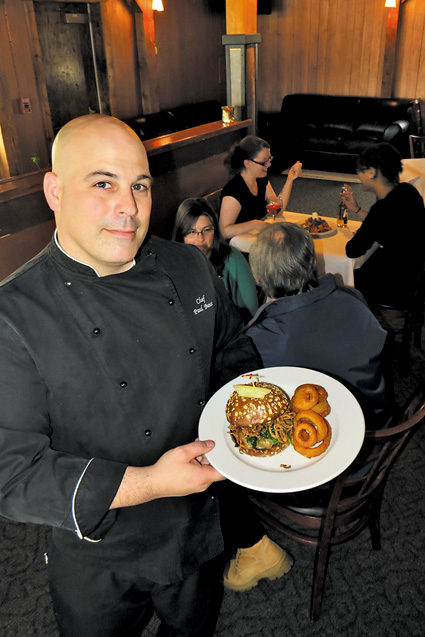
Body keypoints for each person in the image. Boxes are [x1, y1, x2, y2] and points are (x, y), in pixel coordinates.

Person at [0, 114, 262, 637]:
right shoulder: (14, 316)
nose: (130, 207)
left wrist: (252, 431)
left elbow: (232, 349)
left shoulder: (188, 267)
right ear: (54, 190)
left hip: (196, 522)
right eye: (103, 183)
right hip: (102, 553)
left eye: (140, 184)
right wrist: (149, 483)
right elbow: (12, 474)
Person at [245, 222, 391, 429]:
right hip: (375, 422)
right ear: (313, 262)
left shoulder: (259, 338)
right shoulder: (353, 298)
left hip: (322, 443)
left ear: (257, 277)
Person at [342, 142, 425, 309]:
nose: (359, 175)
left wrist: (364, 230)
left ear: (372, 172)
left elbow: (352, 250)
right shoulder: (408, 192)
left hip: (396, 286)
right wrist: (357, 209)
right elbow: (388, 224)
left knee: (344, 281)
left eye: (361, 170)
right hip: (415, 275)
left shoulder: (382, 209)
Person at [172, 197, 259, 321]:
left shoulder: (233, 260)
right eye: (192, 232)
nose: (200, 238)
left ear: (215, 231)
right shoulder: (173, 264)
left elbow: (251, 315)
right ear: (181, 235)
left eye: (207, 230)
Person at [219, 135, 302, 239]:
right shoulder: (234, 190)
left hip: (256, 239)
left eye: (269, 159)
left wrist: (290, 180)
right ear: (247, 163)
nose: (269, 164)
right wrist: (254, 224)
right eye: (264, 162)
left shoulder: (261, 179)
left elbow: (278, 210)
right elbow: (224, 232)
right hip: (238, 246)